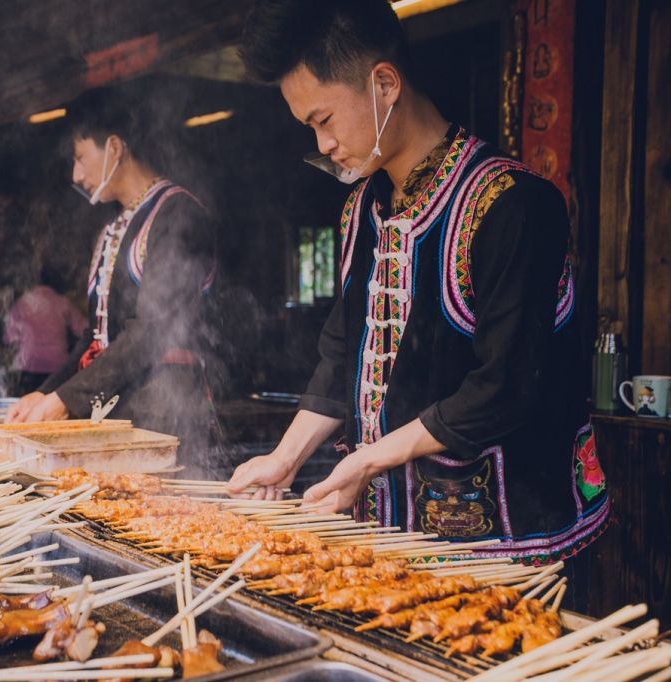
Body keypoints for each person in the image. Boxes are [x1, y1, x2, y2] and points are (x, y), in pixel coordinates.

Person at [227, 0, 607, 563]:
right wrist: (285, 458)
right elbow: (342, 353)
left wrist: (368, 457)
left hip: (512, 543)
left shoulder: (514, 205)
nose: (323, 146)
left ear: (384, 84)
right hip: (391, 536)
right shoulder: (363, 209)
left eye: (323, 121)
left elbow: (506, 384)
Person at [6, 89, 217, 466]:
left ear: (115, 148)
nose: (76, 174)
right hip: (118, 413)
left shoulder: (177, 216)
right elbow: (95, 337)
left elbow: (151, 332)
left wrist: (66, 401)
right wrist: (47, 394)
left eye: (81, 157)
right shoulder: (111, 230)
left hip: (165, 416)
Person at [3, 268, 88, 395]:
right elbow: (84, 330)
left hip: (27, 368)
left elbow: (9, 338)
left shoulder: (22, 303)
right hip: (57, 369)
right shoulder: (62, 302)